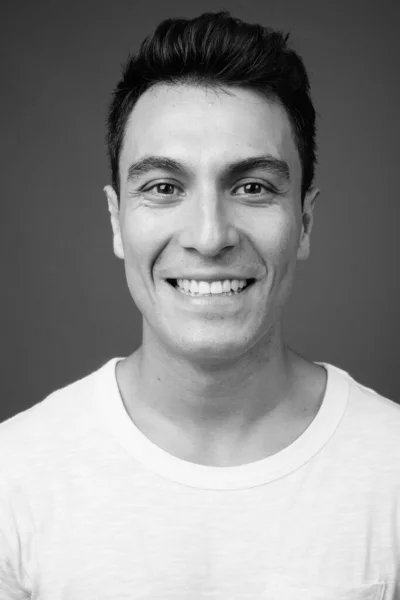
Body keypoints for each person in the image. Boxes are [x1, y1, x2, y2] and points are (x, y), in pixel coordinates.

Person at [0, 10, 399, 599]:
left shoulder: (392, 471)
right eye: (163, 188)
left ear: (306, 221)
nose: (209, 237)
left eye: (253, 187)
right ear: (116, 220)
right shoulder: (14, 478)